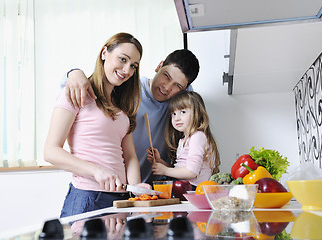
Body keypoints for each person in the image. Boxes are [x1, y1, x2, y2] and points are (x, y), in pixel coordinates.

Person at [44, 32, 151, 218]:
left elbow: (130, 156)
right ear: (104, 53)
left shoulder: (122, 108)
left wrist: (136, 188)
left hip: (122, 201)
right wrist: (96, 171)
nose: (127, 70)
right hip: (88, 198)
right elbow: (50, 151)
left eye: (133, 66)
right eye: (122, 59)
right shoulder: (76, 93)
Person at [64, 49, 200, 184]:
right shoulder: (128, 87)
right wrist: (74, 73)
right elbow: (87, 83)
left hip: (151, 187)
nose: (167, 87)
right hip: (112, 182)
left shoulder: (179, 103)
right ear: (159, 66)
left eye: (177, 85)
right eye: (166, 76)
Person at [147, 91, 220, 189]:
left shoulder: (198, 136)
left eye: (183, 112)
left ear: (197, 113)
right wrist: (160, 162)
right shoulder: (184, 139)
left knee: (152, 188)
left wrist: (165, 171)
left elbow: (191, 172)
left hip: (194, 188)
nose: (176, 118)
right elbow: (180, 170)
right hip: (184, 185)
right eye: (173, 114)